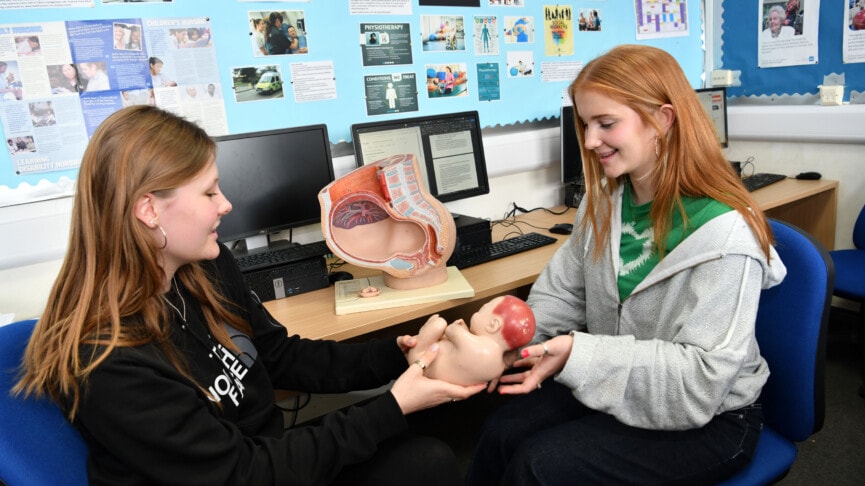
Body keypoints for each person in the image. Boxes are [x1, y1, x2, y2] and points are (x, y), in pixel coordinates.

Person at [13, 105, 485, 485]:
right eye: (209, 193)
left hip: (258, 457)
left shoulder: (205, 268)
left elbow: (277, 356)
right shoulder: (108, 358)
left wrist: (396, 357)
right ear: (148, 210)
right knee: (423, 459)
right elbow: (242, 472)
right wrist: (393, 405)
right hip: (243, 472)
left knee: (425, 451)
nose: (226, 206)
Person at [467, 44, 785, 485]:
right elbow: (562, 296)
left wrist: (580, 354)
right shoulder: (603, 204)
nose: (590, 140)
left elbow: (700, 384)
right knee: (501, 432)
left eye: (606, 123)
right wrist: (497, 346)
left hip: (713, 417)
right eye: (585, 123)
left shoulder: (727, 236)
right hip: (619, 380)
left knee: (541, 465)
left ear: (663, 120)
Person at [409, 296, 535, 387]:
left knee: (439, 323)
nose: (479, 310)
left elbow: (451, 330)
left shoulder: (475, 345)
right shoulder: (498, 367)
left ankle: (415, 349)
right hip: (441, 382)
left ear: (493, 325)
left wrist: (459, 328)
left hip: (421, 361)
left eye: (483, 309)